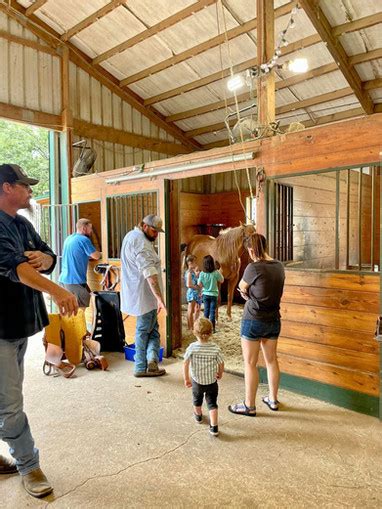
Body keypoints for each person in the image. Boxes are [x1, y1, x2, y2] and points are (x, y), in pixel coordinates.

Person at [0, 163, 78, 498]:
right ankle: (28, 465)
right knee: (11, 404)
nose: (30, 191)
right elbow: (16, 268)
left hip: (17, 326)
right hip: (1, 328)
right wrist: (58, 291)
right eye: (25, 185)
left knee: (5, 397)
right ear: (6, 187)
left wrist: (45, 260)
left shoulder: (21, 223)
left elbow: (47, 253)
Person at [228, 233, 285, 417]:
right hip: (274, 320)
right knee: (271, 360)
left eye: (249, 251)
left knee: (250, 363)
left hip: (253, 319)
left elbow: (243, 287)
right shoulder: (279, 266)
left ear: (252, 250)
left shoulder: (254, 267)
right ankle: (273, 399)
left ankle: (249, 405)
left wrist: (247, 293)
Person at [120, 214, 167, 377]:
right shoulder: (141, 242)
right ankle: (140, 366)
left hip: (144, 296)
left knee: (153, 330)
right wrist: (160, 299)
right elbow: (149, 273)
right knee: (143, 330)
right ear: (144, 225)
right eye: (154, 231)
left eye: (157, 232)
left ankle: (152, 361)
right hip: (144, 296)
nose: (156, 235)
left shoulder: (132, 236)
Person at [183, 317, 224, 436]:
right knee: (212, 404)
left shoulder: (192, 348)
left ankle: (198, 417)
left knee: (197, 401)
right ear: (211, 333)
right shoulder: (215, 348)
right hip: (212, 382)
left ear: (194, 332)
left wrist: (186, 378)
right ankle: (214, 427)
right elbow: (221, 363)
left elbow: (185, 363)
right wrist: (220, 373)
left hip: (197, 381)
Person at [59, 218, 101, 308]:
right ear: (84, 228)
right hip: (75, 281)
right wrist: (102, 253)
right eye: (90, 228)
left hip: (64, 280)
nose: (91, 231)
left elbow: (78, 253)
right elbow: (96, 256)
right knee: (79, 313)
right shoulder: (83, 240)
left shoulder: (69, 238)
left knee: (69, 311)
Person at [197, 255, 224, 333]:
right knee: (212, 312)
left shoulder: (202, 273)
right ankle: (213, 329)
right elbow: (222, 280)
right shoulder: (215, 272)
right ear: (212, 263)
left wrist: (204, 287)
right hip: (214, 295)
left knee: (206, 311)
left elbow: (199, 283)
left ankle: (205, 329)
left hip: (205, 294)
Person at [184, 254, 201, 331]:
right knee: (190, 310)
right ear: (190, 263)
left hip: (195, 292)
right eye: (195, 261)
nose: (196, 263)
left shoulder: (192, 272)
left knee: (195, 309)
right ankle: (190, 327)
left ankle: (193, 325)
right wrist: (197, 287)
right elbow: (188, 284)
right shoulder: (189, 273)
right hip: (192, 293)